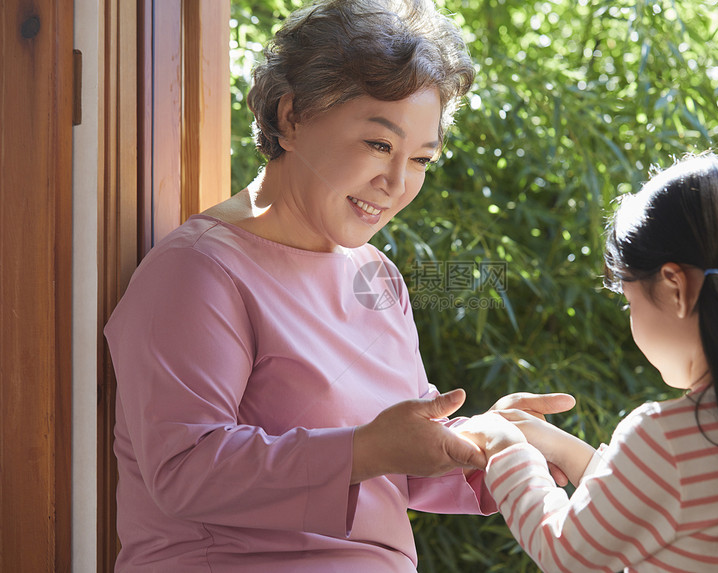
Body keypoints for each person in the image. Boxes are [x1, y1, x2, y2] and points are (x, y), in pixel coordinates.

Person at [104, 1, 573, 571]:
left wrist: (486, 447)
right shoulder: (198, 271)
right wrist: (366, 449)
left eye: (421, 159)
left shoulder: (376, 276)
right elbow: (183, 472)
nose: (397, 183)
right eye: (379, 144)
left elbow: (392, 464)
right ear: (293, 116)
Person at [458, 154, 718, 572]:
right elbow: (642, 506)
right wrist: (561, 448)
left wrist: (505, 445)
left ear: (675, 288)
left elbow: (563, 550)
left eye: (629, 302)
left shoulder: (667, 438)